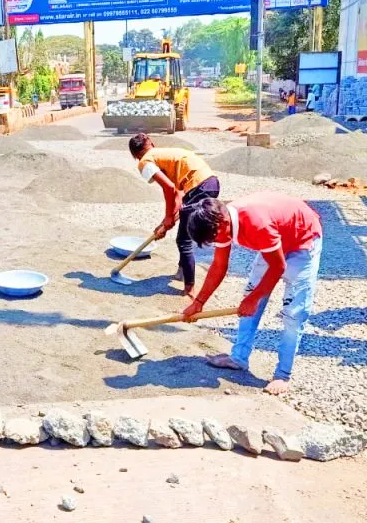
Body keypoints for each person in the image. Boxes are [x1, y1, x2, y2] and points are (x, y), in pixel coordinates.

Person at [182, 193, 323, 396]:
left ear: (222, 223)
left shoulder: (257, 224)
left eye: (214, 239)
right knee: (247, 305)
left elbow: (277, 267)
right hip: (275, 238)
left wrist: (254, 298)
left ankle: (282, 375)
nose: (216, 243)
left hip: (303, 239)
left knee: (294, 313)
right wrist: (199, 302)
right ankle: (239, 358)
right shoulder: (221, 222)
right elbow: (219, 266)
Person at [129, 133, 220, 297]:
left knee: (183, 240)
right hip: (209, 183)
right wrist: (167, 221)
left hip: (198, 187)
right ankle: (181, 272)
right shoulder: (162, 155)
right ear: (151, 144)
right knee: (185, 229)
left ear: (135, 155)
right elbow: (178, 197)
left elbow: (169, 189)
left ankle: (189, 289)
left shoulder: (145, 161)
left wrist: (169, 218)